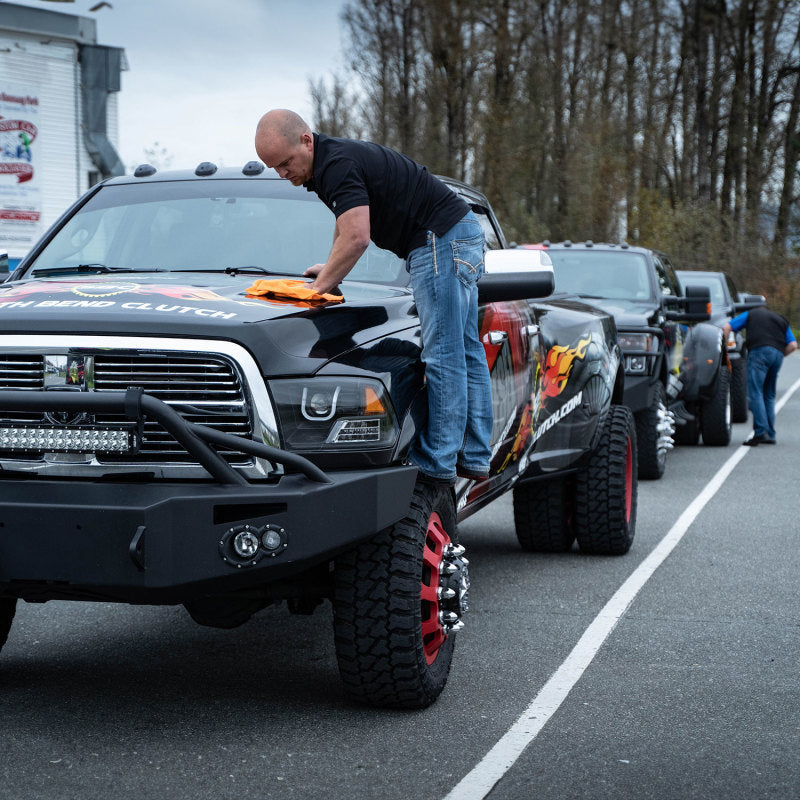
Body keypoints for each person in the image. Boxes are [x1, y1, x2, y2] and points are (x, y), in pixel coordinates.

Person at [254, 109, 493, 484]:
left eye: (285, 163)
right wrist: (330, 270)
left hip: (438, 241)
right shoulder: (328, 164)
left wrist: (318, 289)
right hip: (455, 234)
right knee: (463, 349)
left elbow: (357, 236)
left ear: (306, 140)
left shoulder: (336, 165)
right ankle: (475, 454)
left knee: (443, 354)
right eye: (275, 168)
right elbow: (345, 224)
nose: (283, 173)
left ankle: (439, 460)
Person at [722, 303, 797, 445]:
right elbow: (793, 345)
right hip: (777, 355)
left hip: (759, 352)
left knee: (755, 392)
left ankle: (760, 432)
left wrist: (724, 352)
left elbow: (726, 328)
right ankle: (770, 434)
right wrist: (778, 355)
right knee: (769, 395)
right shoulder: (781, 319)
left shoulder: (751, 314)